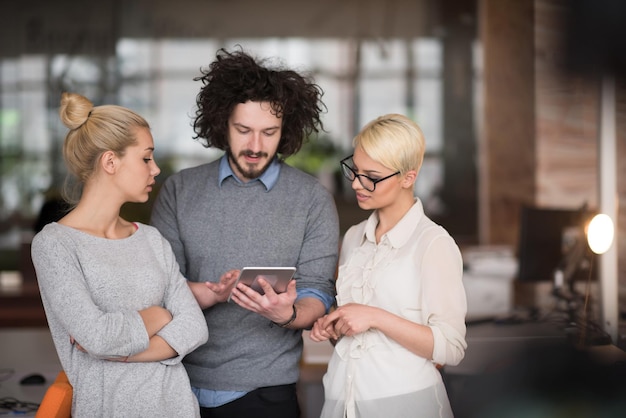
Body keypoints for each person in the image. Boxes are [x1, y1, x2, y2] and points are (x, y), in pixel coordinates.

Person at [150, 47, 339, 418]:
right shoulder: (179, 191)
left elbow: (319, 291)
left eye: (269, 132)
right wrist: (211, 293)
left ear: (286, 131)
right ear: (222, 125)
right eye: (243, 130)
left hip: (266, 393)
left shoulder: (312, 199)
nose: (255, 146)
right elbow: (159, 287)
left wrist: (287, 314)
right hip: (174, 382)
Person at [30, 92, 209, 417]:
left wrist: (129, 353)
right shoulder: (55, 245)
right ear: (110, 161)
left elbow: (196, 326)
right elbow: (98, 336)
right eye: (145, 158)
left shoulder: (152, 239)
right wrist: (159, 315)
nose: (155, 169)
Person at [310, 114, 468, 418]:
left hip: (406, 404)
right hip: (344, 401)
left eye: (371, 175)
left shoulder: (433, 243)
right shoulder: (354, 237)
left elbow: (451, 346)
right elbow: (359, 338)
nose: (356, 183)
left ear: (408, 177)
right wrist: (334, 325)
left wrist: (374, 316)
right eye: (354, 170)